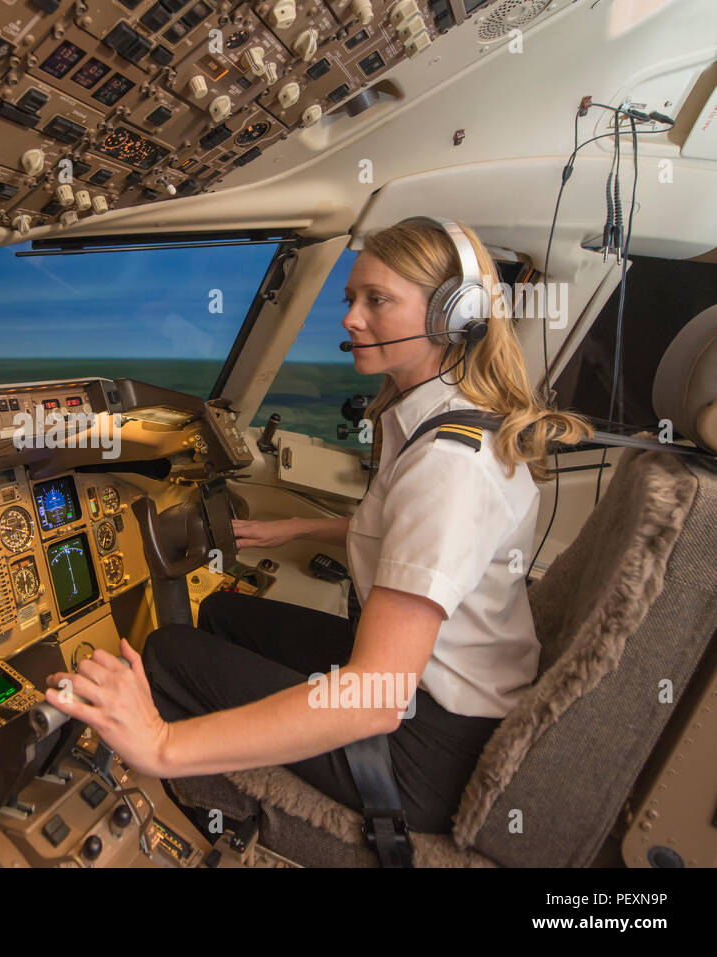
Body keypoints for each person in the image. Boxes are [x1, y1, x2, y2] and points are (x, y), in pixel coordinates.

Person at [45, 218, 593, 835]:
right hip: (448, 698)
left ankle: (180, 815)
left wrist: (159, 742)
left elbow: (378, 697)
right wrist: (298, 528)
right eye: (350, 299)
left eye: (377, 301)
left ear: (452, 315)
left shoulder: (450, 465)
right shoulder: (452, 419)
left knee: (170, 655)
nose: (350, 319)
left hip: (429, 751)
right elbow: (412, 540)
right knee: (225, 613)